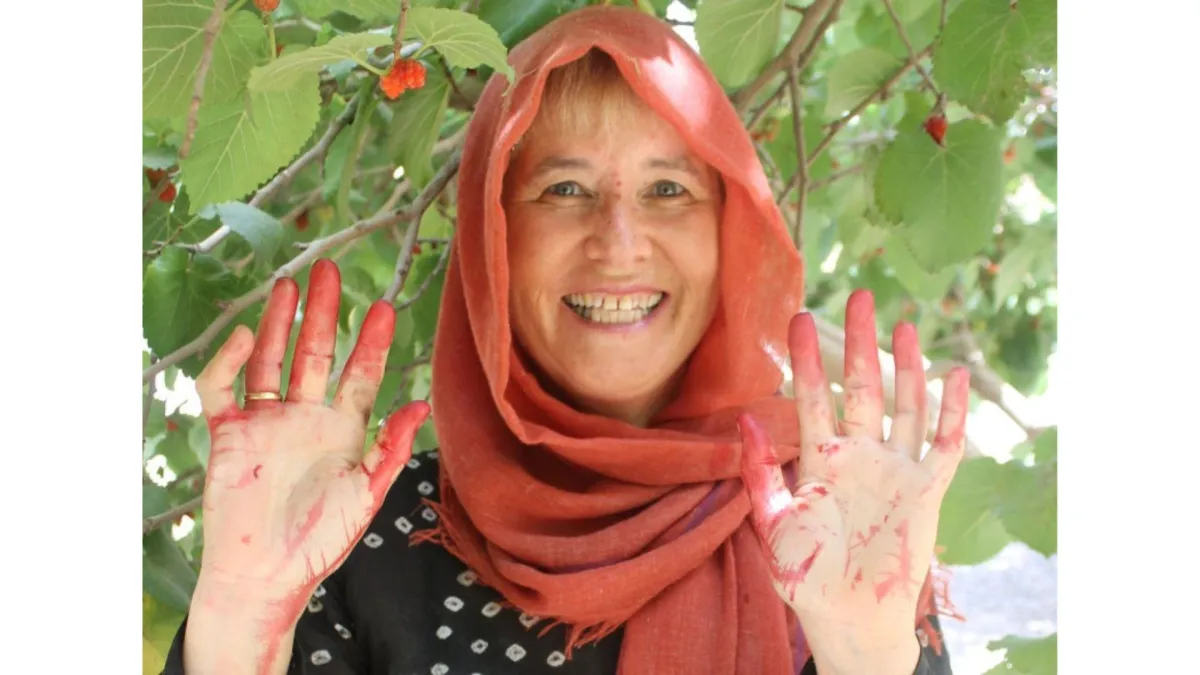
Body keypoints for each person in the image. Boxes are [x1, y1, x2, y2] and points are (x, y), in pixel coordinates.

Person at [162, 6, 968, 674]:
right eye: (565, 187)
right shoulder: (362, 532)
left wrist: (866, 651)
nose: (619, 241)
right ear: (491, 239)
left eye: (668, 189)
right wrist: (241, 613)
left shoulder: (827, 521)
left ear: (731, 232)